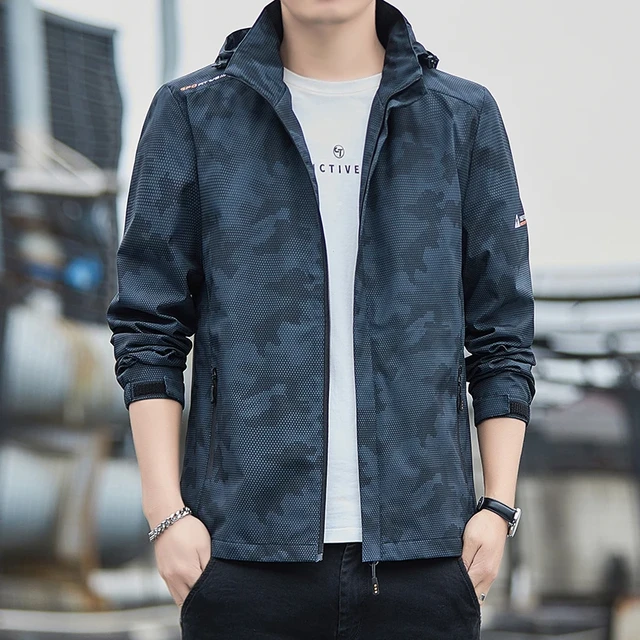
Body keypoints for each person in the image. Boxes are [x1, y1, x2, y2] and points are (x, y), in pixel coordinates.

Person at [106, 0, 536, 638]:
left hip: (425, 554)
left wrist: (497, 508)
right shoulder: (196, 112)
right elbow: (149, 328)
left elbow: (502, 332)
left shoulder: (460, 117)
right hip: (241, 551)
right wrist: (166, 514)